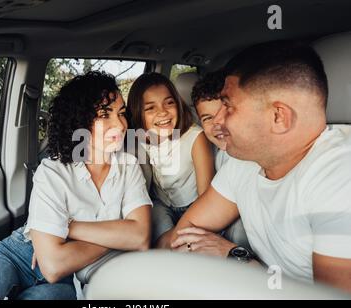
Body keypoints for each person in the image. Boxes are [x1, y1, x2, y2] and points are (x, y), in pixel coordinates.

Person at [169, 41, 351, 293]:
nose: (218, 121)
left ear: (278, 117)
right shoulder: (244, 162)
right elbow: (183, 235)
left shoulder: (340, 178)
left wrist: (236, 257)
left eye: (228, 106)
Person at [0, 71, 152, 300]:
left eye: (121, 114)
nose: (119, 125)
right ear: (79, 121)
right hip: (19, 253)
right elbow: (53, 261)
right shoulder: (52, 171)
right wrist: (118, 239)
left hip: (71, 274)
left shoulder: (129, 166)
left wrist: (68, 227)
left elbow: (140, 237)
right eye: (104, 115)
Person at [127, 72, 214, 248]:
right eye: (150, 108)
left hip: (194, 205)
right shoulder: (140, 138)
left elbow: (207, 198)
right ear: (138, 113)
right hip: (161, 203)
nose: (163, 112)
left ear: (178, 104)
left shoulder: (195, 137)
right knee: (159, 242)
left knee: (178, 246)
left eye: (169, 103)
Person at [191, 70, 250, 249]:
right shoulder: (214, 151)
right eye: (207, 118)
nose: (218, 123)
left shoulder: (246, 159)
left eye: (224, 112)